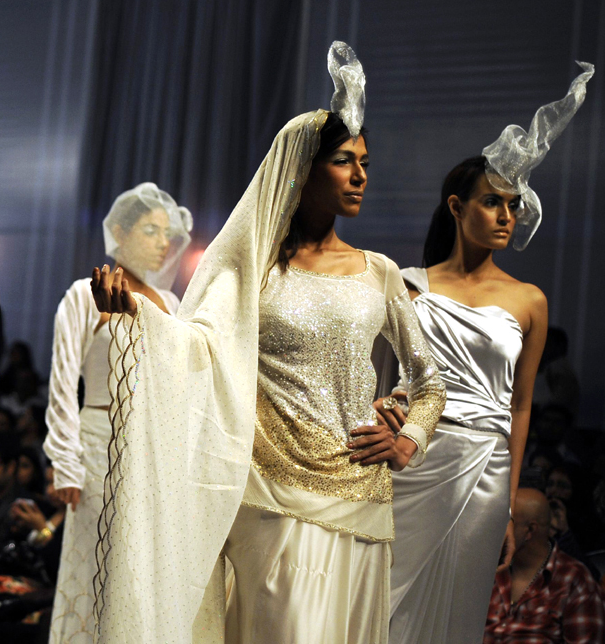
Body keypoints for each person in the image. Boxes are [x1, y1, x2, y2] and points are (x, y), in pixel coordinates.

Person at [90, 42, 445, 642]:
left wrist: (408, 434)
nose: (360, 175)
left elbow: (427, 379)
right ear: (300, 170)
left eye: (365, 162)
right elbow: (197, 348)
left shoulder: (380, 271)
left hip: (362, 494)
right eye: (342, 161)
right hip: (268, 491)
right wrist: (139, 314)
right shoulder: (250, 269)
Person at [380, 61, 592, 644]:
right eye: (493, 203)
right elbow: (377, 379)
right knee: (383, 598)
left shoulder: (529, 300)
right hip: (412, 455)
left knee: (458, 611)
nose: (507, 216)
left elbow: (521, 403)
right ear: (456, 207)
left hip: (486, 467)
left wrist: (507, 496)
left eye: (514, 206)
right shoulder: (408, 283)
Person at [44, 183, 192, 643]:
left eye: (167, 233)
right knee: (94, 559)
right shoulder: (83, 293)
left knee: (144, 563)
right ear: (119, 233)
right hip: (98, 442)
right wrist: (66, 462)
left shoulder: (171, 305)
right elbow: (64, 380)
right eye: (150, 230)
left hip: (158, 447)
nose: (162, 242)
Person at [484, 488, 604, 643]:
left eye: (505, 522)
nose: (495, 529)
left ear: (530, 530)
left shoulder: (574, 580)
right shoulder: (490, 572)